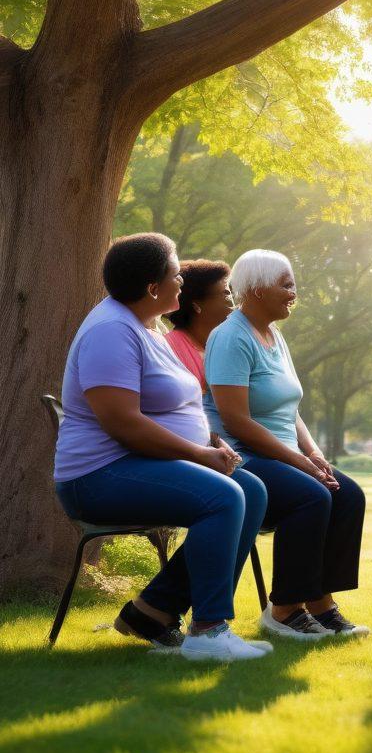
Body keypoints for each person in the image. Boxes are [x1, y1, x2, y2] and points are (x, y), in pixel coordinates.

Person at [53, 233, 271, 662]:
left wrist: (211, 441)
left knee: (254, 490)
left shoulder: (144, 325)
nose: (181, 283)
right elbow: (123, 423)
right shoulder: (111, 331)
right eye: (176, 275)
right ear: (153, 287)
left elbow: (171, 405)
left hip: (137, 464)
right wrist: (199, 455)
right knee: (222, 496)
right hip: (97, 476)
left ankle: (151, 613)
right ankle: (209, 631)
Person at [205, 249, 368, 641]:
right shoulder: (230, 337)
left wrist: (313, 453)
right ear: (258, 289)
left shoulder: (275, 337)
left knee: (348, 495)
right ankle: (284, 610)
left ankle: (320, 603)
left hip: (286, 455)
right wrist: (299, 462)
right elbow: (235, 419)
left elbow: (290, 410)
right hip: (244, 457)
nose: (294, 292)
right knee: (312, 496)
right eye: (286, 284)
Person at [164, 259, 233, 390]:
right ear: (196, 305)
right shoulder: (169, 348)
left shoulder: (225, 344)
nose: (233, 304)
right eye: (226, 294)